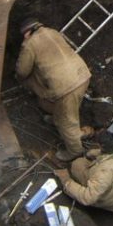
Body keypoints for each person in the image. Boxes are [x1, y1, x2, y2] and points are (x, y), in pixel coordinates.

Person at [16, 18, 92, 162]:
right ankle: (57, 117)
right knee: (66, 108)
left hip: (67, 86)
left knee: (67, 122)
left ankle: (75, 151)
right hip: (82, 75)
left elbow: (22, 71)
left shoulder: (30, 44)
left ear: (26, 34)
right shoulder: (53, 32)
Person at [54, 118, 113, 214]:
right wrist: (94, 153)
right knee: (82, 162)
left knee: (76, 165)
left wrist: (66, 181)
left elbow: (87, 198)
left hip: (112, 204)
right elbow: (112, 154)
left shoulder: (105, 173)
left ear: (103, 146)